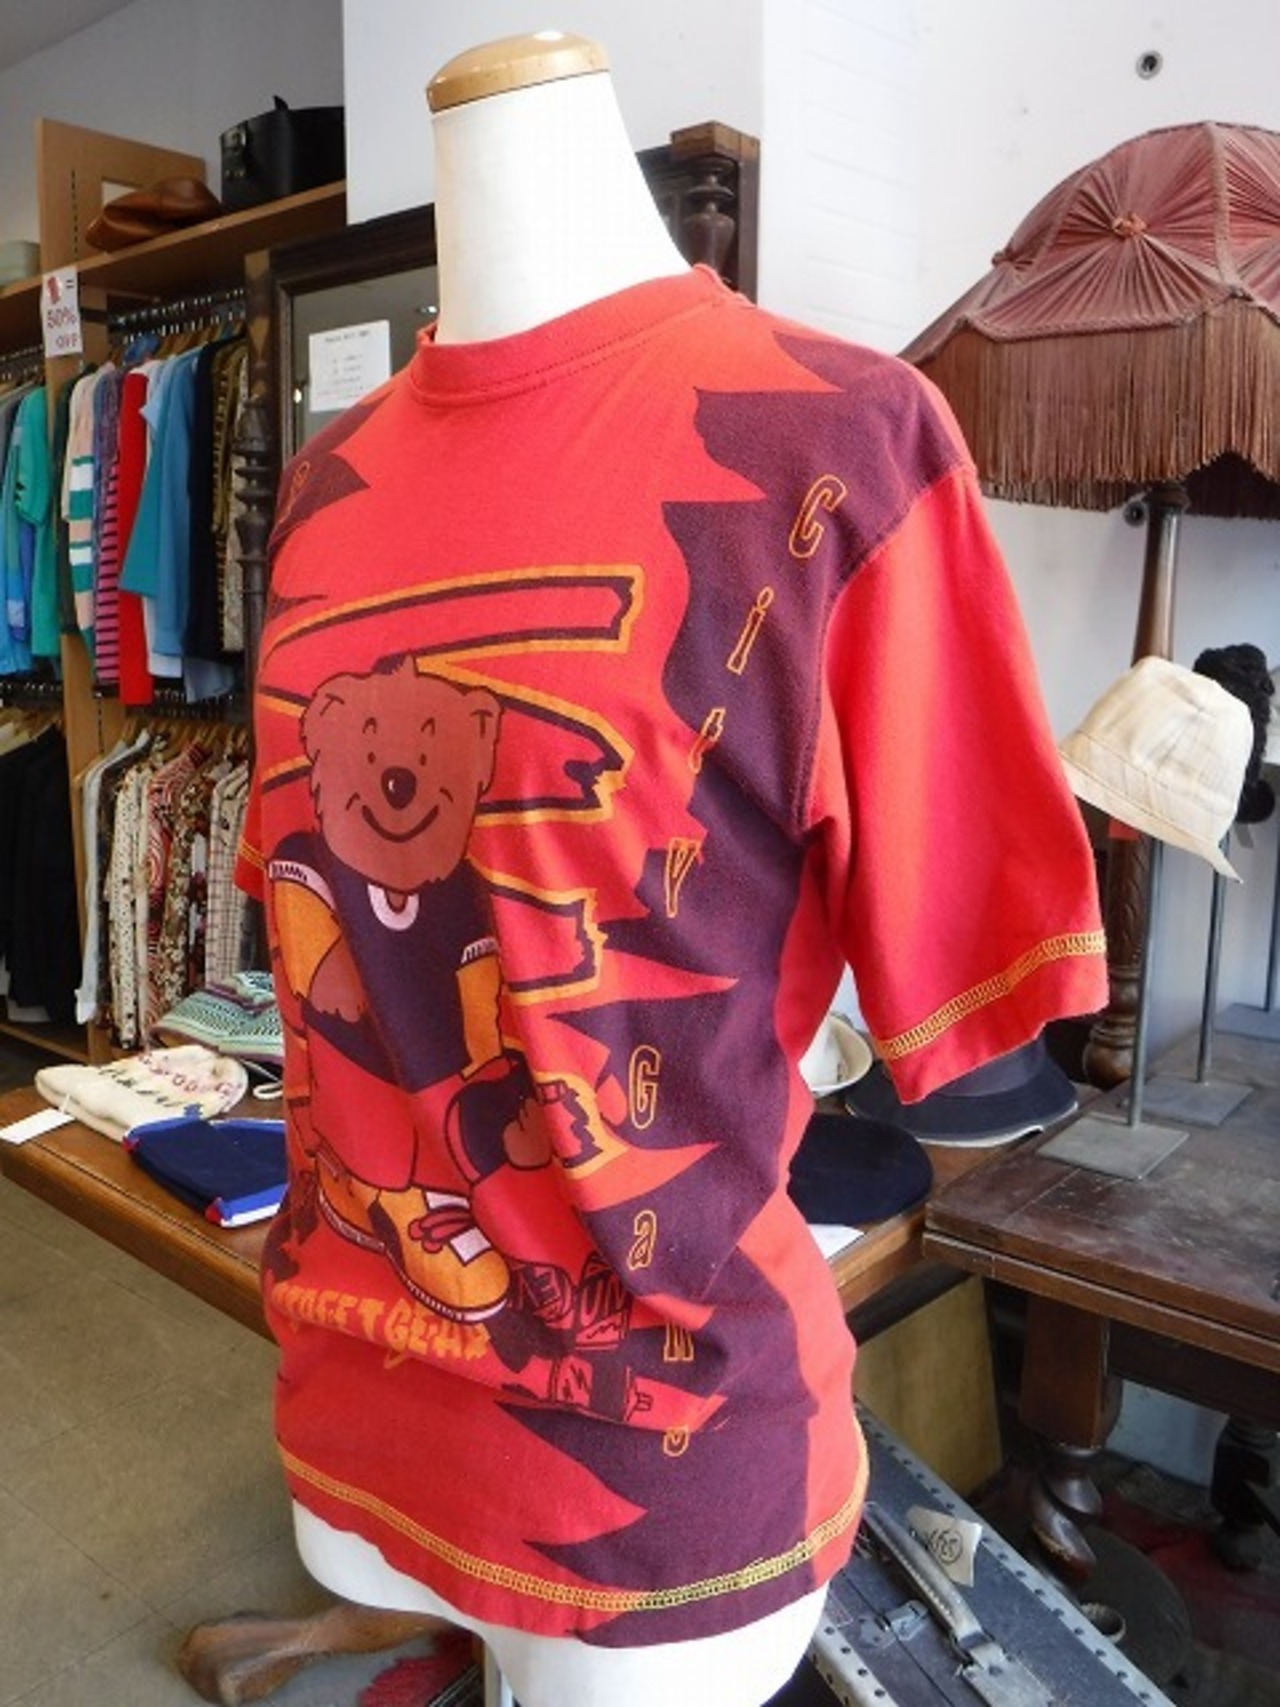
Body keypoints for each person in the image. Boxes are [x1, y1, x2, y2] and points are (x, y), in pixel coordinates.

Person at [236, 29, 1108, 1707]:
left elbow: (960, 996)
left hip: (662, 1483)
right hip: (350, 1401)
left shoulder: (845, 445)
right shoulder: (324, 488)